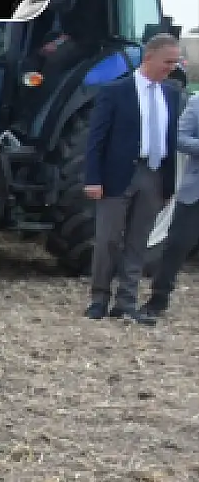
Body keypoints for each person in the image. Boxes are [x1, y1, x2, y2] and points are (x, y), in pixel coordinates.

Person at [84, 34, 182, 324]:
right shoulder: (115, 92)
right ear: (149, 57)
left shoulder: (172, 94)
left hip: (153, 175)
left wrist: (168, 185)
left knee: (138, 242)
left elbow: (172, 139)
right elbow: (96, 140)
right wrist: (93, 178)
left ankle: (126, 302)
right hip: (118, 176)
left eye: (175, 62)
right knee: (108, 240)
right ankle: (99, 298)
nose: (172, 67)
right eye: (168, 61)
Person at [144, 87, 199, 318]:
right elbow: (178, 137)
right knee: (177, 245)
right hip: (195, 191)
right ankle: (158, 299)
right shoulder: (197, 103)